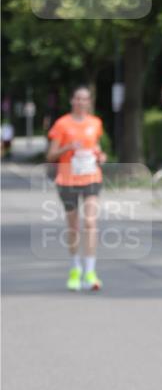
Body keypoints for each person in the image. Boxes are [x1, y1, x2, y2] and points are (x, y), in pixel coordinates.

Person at [46, 87, 107, 291]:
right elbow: (51, 155)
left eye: (85, 99)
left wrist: (100, 156)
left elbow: (96, 147)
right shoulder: (62, 124)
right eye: (78, 98)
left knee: (90, 222)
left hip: (91, 177)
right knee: (74, 227)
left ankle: (90, 271)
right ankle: (75, 269)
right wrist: (68, 147)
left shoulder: (95, 123)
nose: (81, 102)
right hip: (67, 179)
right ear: (72, 100)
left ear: (90, 102)